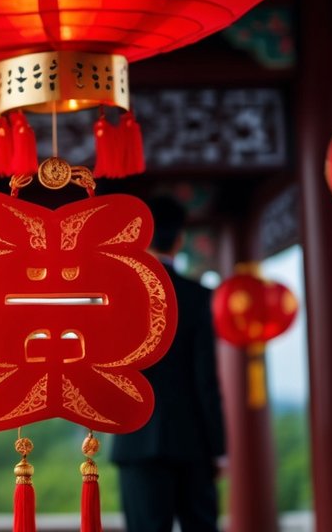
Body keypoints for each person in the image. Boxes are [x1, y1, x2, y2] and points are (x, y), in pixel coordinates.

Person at [109, 196, 225, 532]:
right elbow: (206, 379)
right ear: (178, 241)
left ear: (140, 240)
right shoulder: (197, 295)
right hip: (193, 442)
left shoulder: (119, 295)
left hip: (136, 439)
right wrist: (218, 448)